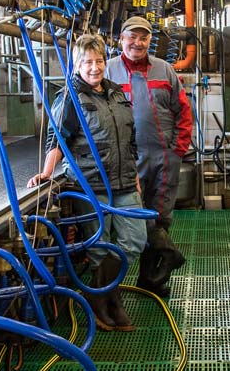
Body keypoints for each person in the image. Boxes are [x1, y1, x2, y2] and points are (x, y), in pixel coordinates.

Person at [27, 34, 146, 332]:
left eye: (99, 61)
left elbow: (129, 141)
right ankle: (110, 303)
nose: (94, 67)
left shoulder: (117, 93)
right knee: (101, 247)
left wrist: (134, 176)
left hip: (124, 184)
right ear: (77, 65)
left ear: (106, 62)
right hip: (91, 184)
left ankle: (101, 298)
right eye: (88, 62)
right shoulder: (70, 98)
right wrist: (46, 173)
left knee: (134, 241)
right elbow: (57, 138)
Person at [105, 16, 193, 297]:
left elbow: (183, 111)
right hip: (127, 160)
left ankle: (150, 278)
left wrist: (178, 148)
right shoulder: (107, 71)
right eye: (132, 37)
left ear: (149, 41)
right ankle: (163, 256)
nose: (137, 43)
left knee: (161, 215)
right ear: (121, 39)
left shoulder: (164, 70)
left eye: (143, 38)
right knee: (136, 216)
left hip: (165, 157)